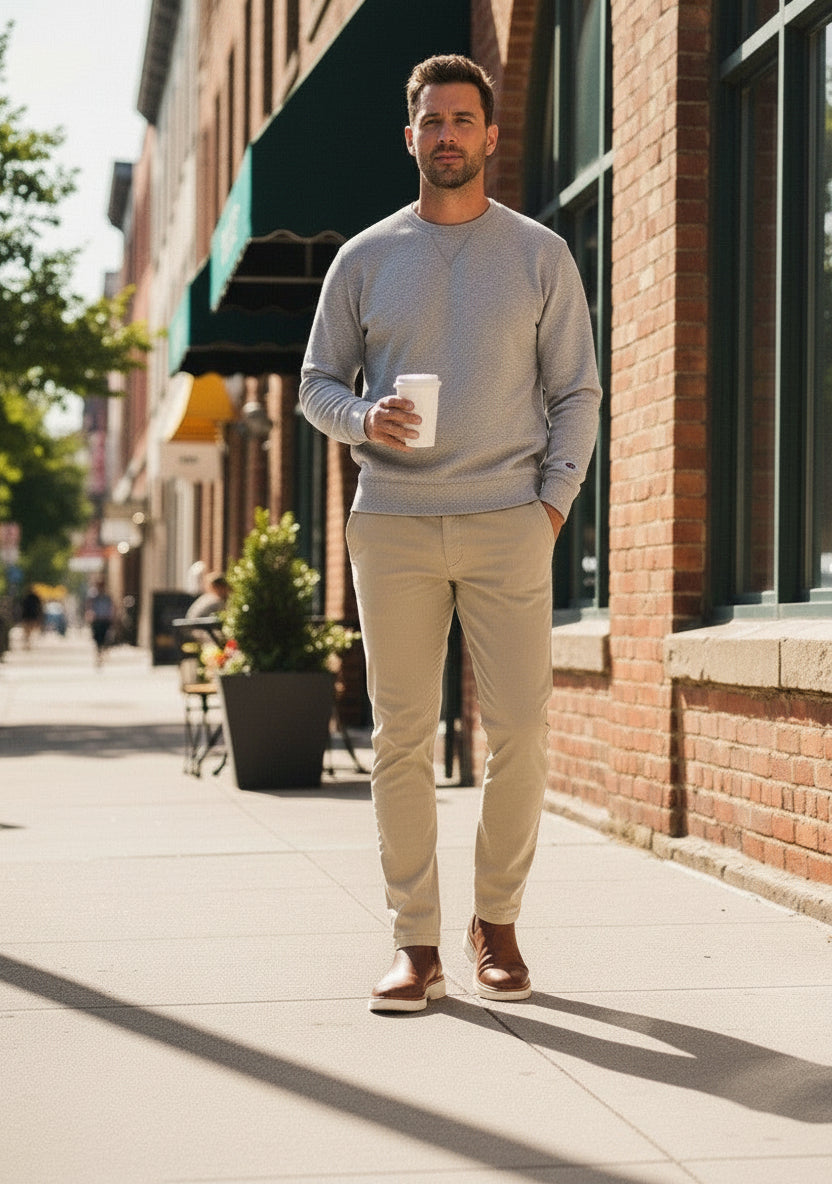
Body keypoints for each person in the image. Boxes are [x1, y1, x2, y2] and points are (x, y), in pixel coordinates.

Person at [299, 55, 602, 1012]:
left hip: (509, 520)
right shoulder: (364, 258)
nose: (447, 135)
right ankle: (416, 944)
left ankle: (498, 925)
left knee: (519, 730)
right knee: (402, 738)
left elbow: (577, 394)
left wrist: (550, 504)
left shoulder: (539, 254)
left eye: (463, 120)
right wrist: (361, 420)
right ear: (411, 138)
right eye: (432, 121)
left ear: (489, 136)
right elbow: (316, 384)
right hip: (390, 524)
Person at [85, 579, 116, 666]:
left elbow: (112, 608)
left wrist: (112, 618)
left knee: (105, 638)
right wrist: (89, 616)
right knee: (97, 639)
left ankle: (102, 652)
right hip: (97, 620)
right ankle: (99, 654)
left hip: (105, 620)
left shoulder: (107, 597)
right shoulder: (94, 598)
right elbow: (89, 607)